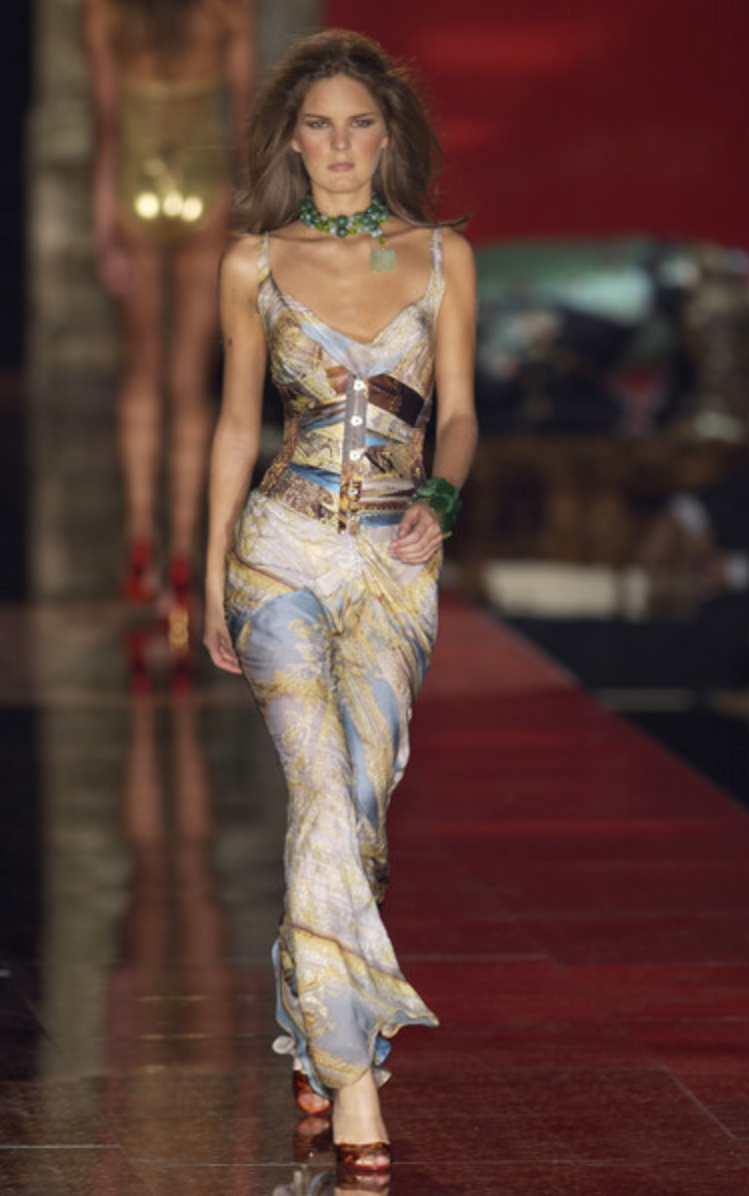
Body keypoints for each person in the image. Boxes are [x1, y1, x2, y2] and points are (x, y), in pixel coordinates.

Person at [202, 29, 477, 1179]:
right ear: (291, 141)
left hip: (393, 562)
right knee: (318, 786)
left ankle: (309, 1004)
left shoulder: (443, 255)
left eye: (359, 124)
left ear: (387, 136)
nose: (340, 145)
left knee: (359, 801)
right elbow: (234, 425)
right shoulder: (252, 262)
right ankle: (352, 1069)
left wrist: (442, 499)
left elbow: (458, 413)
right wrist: (207, 579)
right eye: (318, 125)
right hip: (280, 552)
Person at [82, 0, 255, 649]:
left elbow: (107, 127)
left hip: (134, 186)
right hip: (205, 189)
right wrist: (248, 226)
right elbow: (241, 124)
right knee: (188, 385)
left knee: (141, 371)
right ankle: (183, 557)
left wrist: (103, 233)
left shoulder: (104, 12)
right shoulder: (228, 10)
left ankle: (140, 539)